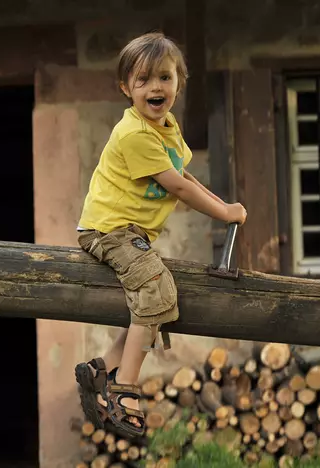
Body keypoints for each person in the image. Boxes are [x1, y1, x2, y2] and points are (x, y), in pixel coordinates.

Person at [74, 31, 247, 439]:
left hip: (129, 232)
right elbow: (179, 187)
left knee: (149, 304)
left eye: (165, 78)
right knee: (155, 289)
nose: (156, 87)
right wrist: (223, 212)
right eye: (143, 80)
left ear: (179, 82)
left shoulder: (166, 128)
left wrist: (225, 207)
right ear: (126, 89)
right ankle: (125, 391)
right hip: (109, 229)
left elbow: (185, 175)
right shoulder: (134, 133)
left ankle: (102, 368)